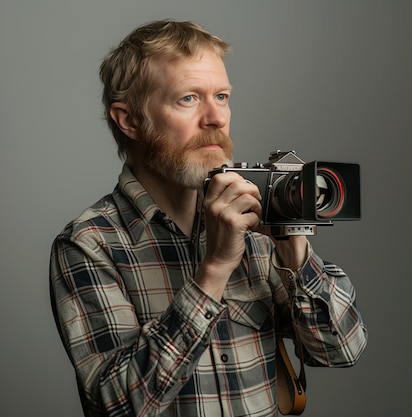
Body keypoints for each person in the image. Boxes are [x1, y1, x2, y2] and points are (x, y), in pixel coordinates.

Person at [49, 20, 367, 417]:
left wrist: (294, 250)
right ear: (128, 120)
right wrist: (214, 270)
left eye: (222, 95)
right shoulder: (89, 244)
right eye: (188, 98)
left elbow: (342, 349)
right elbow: (118, 405)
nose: (216, 117)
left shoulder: (254, 220)